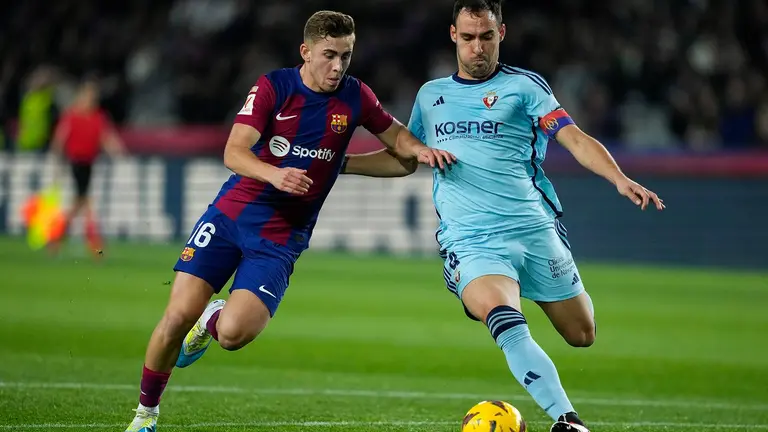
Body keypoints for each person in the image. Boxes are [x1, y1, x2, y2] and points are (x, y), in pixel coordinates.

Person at [124, 10, 455, 432]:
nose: (338, 66)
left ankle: (213, 319)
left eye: (346, 56)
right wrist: (274, 173)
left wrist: (417, 151)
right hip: (232, 215)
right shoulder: (274, 87)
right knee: (174, 319)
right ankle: (145, 415)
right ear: (306, 51)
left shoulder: (356, 96)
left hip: (282, 237)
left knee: (233, 334)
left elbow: (399, 143)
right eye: (329, 55)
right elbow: (234, 152)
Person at [407, 1, 665, 431]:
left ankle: (518, 289)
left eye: (486, 37)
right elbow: (404, 155)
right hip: (471, 239)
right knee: (504, 317)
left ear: (501, 34)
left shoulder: (525, 87)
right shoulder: (430, 96)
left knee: (582, 334)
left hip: (533, 228)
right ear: (453, 35)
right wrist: (338, 162)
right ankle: (568, 420)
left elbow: (575, 139)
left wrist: (619, 179)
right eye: (468, 37)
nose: (477, 47)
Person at [49, 78, 124, 257]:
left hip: (89, 164)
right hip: (76, 164)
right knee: (85, 204)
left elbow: (106, 138)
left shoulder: (98, 117)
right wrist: (56, 159)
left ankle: (58, 239)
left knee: (80, 204)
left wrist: (118, 152)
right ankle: (93, 245)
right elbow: (60, 139)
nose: (91, 100)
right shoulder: (72, 116)